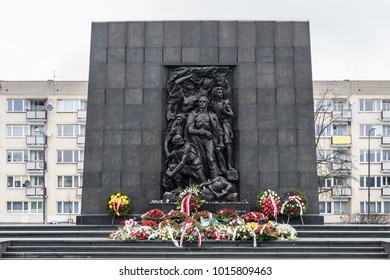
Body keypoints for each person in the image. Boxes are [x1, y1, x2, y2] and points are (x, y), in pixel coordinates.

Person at [186, 95, 225, 178]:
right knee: (197, 160)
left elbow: (219, 130)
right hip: (195, 139)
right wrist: (204, 132)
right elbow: (190, 129)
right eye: (200, 102)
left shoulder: (213, 115)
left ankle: (215, 180)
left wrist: (221, 142)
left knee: (211, 158)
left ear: (207, 104)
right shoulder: (192, 114)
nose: (202, 103)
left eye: (204, 102)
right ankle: (201, 181)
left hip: (209, 140)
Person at [210, 86, 234, 170]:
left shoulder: (225, 102)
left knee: (228, 143)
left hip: (225, 123)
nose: (220, 94)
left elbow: (231, 114)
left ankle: (229, 165)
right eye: (219, 92)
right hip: (215, 124)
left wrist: (224, 111)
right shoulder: (213, 103)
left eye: (221, 92)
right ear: (215, 93)